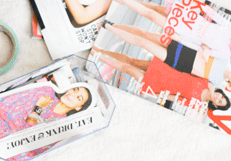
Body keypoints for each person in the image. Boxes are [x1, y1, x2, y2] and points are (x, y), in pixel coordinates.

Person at [91, 47, 230, 110]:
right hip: (164, 70)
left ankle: (98, 56)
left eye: (219, 101)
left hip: (158, 86)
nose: (218, 97)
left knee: (128, 69)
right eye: (222, 97)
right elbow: (190, 70)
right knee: (132, 61)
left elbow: (174, 98)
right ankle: (100, 50)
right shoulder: (209, 82)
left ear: (216, 105)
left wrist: (152, 93)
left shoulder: (198, 103)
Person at [102, 22, 231, 89]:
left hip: (179, 62)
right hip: (184, 48)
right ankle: (113, 25)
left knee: (143, 43)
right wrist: (206, 50)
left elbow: (194, 81)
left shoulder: (217, 83)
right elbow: (205, 44)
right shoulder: (224, 59)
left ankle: (109, 28)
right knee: (145, 34)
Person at [0, 84, 93, 161]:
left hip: (7, 149)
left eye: (79, 98)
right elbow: (6, 102)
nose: (72, 94)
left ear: (78, 107)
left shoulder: (62, 127)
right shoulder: (47, 91)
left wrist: (38, 108)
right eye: (75, 90)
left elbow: (24, 140)